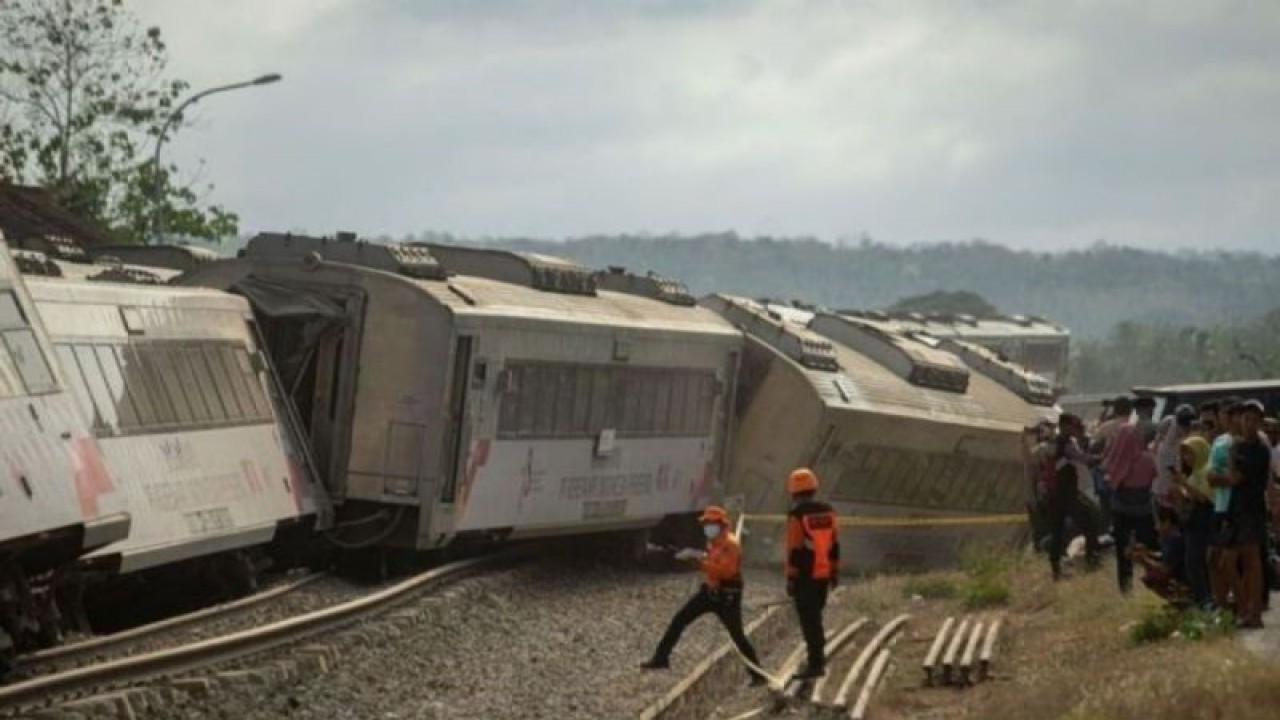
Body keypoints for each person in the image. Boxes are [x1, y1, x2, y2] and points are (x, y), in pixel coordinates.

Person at [642, 506, 766, 684]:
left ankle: (758, 675)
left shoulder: (730, 545)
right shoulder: (714, 543)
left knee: (738, 636)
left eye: (710, 523)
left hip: (727, 597)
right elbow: (713, 563)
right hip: (709, 592)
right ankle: (661, 658)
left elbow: (727, 571)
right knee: (679, 620)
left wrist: (699, 562)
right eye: (705, 523)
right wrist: (697, 556)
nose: (707, 526)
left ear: (721, 524)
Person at [784, 468, 840, 680]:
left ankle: (816, 665)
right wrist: (834, 572)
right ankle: (818, 658)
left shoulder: (796, 516)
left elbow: (794, 550)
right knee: (816, 618)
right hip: (823, 574)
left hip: (805, 576)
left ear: (793, 492)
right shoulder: (829, 511)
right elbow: (834, 544)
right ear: (814, 488)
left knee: (810, 622)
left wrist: (791, 579)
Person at [1044, 414, 1101, 580]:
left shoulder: (1053, 442)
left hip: (1054, 495)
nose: (1076, 429)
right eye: (1074, 426)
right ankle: (1091, 561)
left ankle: (1056, 569)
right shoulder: (1066, 443)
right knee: (1091, 521)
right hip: (1067, 495)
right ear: (1065, 426)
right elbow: (1082, 459)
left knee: (1057, 531)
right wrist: (1101, 458)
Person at [1105, 425, 1159, 593]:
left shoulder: (1115, 460)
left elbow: (1110, 481)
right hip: (1143, 510)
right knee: (1148, 549)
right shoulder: (1148, 458)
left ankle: (1125, 588)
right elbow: (1153, 477)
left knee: (1123, 550)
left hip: (1121, 510)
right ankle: (1154, 582)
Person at [1170, 435, 1214, 608]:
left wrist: (1184, 485)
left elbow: (1203, 498)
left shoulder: (1206, 471)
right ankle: (1199, 597)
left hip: (1205, 521)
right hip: (1192, 523)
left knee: (1199, 561)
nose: (1186, 458)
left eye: (1190, 454)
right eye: (1184, 455)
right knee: (1191, 562)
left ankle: (1207, 598)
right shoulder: (1193, 474)